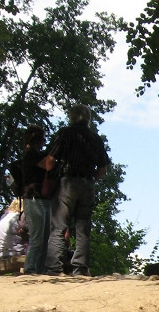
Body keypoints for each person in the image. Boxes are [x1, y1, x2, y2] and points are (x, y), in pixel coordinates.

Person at [43, 104, 110, 277]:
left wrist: (52, 174)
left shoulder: (64, 134)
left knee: (58, 226)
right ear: (88, 119)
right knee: (83, 228)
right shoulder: (96, 138)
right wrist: (91, 179)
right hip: (87, 184)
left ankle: (54, 268)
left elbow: (50, 160)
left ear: (71, 117)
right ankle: (80, 268)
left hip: (66, 182)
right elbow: (103, 169)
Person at [19, 126, 50, 274]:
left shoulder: (33, 154)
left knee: (44, 239)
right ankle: (30, 268)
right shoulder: (32, 155)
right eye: (43, 139)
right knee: (38, 238)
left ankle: (38, 269)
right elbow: (49, 165)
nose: (44, 142)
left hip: (40, 199)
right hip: (34, 199)